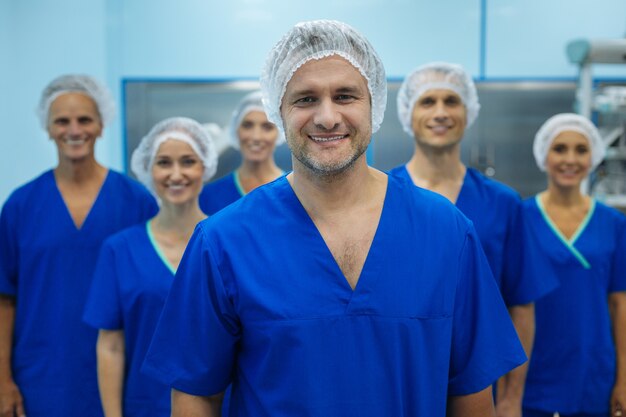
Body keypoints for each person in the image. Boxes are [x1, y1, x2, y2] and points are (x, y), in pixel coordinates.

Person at [142, 20, 527, 416]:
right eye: (305, 99)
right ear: (278, 110)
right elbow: (195, 395)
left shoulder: (446, 232)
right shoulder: (223, 242)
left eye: (345, 96)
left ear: (373, 102)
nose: (327, 117)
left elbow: (471, 394)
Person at [389, 62, 557, 416]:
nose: (440, 113)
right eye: (427, 101)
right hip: (403, 379)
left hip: (483, 387)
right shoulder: (381, 198)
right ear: (408, 112)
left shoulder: (502, 202)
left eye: (451, 101)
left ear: (468, 111)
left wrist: (511, 400)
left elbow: (521, 306)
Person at [0, 75, 158, 416]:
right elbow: (4, 300)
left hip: (122, 376)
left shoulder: (136, 202)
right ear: (48, 128)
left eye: (85, 119)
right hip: (41, 378)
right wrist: (3, 381)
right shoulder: (20, 206)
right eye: (62, 121)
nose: (74, 129)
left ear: (101, 125)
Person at [82, 117, 218, 417]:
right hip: (144, 406)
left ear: (205, 167)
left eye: (188, 161)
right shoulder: (120, 249)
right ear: (149, 169)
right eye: (164, 163)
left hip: (220, 404)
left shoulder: (228, 241)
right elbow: (111, 345)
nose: (176, 173)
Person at [520, 113, 626, 417]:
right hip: (532, 370)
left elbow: (621, 305)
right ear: (544, 155)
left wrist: (624, 380)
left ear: (593, 156)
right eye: (560, 149)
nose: (570, 159)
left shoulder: (614, 224)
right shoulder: (521, 217)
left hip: (594, 371)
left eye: (580, 150)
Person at [199, 91, 285, 215]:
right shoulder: (209, 195)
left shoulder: (295, 191)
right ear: (236, 130)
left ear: (279, 133)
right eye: (247, 125)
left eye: (267, 127)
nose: (256, 137)